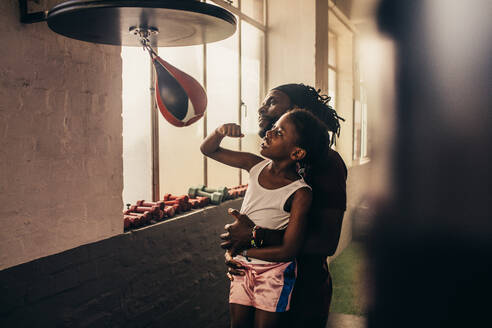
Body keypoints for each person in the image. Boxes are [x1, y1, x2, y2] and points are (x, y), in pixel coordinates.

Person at [221, 84, 347, 327]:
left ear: (298, 113)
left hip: (303, 297)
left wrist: (254, 238)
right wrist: (239, 253)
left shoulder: (328, 163)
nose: (261, 107)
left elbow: (326, 242)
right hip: (262, 283)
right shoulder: (269, 165)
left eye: (272, 102)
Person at [201, 109, 330, 328]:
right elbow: (208, 149)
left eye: (279, 132)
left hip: (274, 272)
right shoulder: (254, 165)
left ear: (297, 153)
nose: (268, 133)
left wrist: (241, 251)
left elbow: (288, 251)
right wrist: (220, 131)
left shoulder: (300, 193)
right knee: (238, 324)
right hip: (242, 267)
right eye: (273, 128)